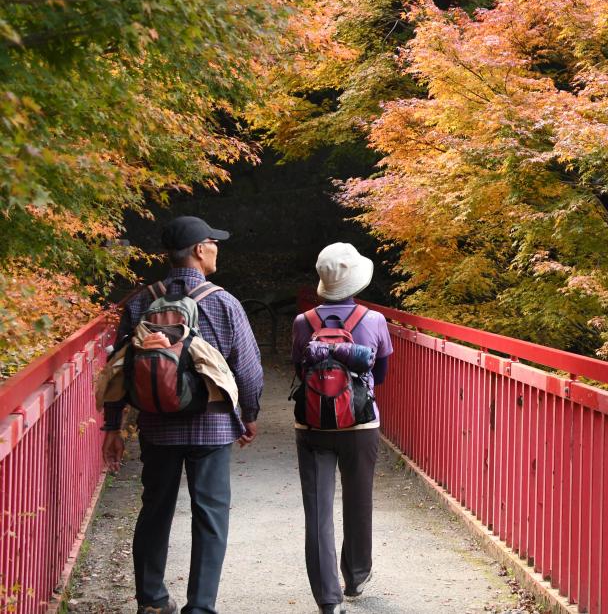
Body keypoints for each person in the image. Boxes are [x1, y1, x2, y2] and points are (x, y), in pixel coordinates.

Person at [101, 216, 264, 614]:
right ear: (197, 250)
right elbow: (249, 370)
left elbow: (119, 365)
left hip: (157, 425)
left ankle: (152, 601)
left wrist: (113, 424)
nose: (217, 249)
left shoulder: (141, 300)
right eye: (213, 242)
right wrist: (249, 413)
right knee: (210, 515)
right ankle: (201, 606)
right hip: (211, 425)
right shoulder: (223, 301)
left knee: (155, 509)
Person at [291, 243, 393, 614]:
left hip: (313, 424)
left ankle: (327, 599)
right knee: (358, 499)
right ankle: (356, 576)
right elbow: (378, 374)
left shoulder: (304, 323)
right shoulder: (374, 320)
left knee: (317, 511)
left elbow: (299, 370)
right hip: (360, 423)